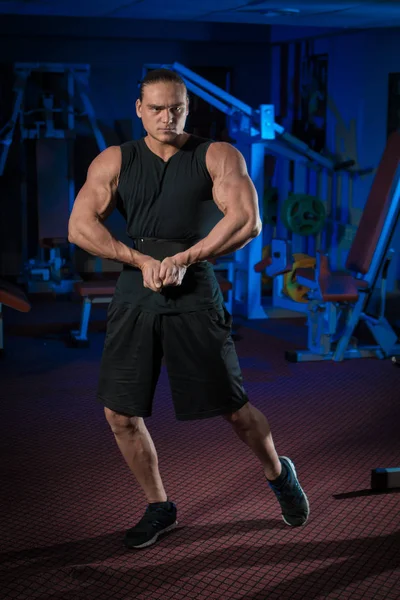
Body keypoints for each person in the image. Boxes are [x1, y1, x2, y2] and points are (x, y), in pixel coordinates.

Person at [68, 68, 309, 550]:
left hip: (194, 289)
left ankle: (279, 473)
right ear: (139, 109)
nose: (166, 117)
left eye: (175, 108)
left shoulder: (216, 155)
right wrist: (138, 259)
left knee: (235, 411)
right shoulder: (115, 160)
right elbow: (80, 226)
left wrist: (186, 257)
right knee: (120, 413)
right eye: (155, 108)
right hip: (137, 289)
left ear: (187, 107)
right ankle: (160, 505)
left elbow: (247, 220)